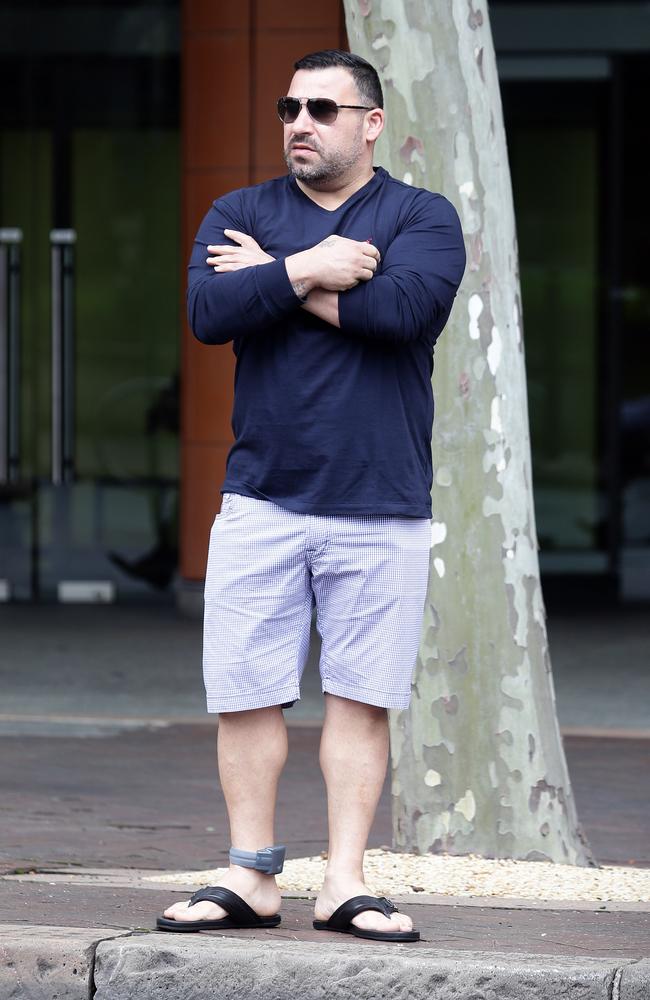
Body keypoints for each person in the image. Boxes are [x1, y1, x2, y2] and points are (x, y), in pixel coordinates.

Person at [157, 49, 465, 943]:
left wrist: (273, 277)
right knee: (247, 694)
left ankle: (344, 884)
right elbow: (210, 315)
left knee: (360, 699)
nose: (300, 122)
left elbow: (402, 315)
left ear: (371, 123)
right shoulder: (239, 210)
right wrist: (313, 268)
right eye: (291, 106)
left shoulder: (421, 215)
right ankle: (252, 878)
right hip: (261, 497)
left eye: (325, 109)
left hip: (382, 500)